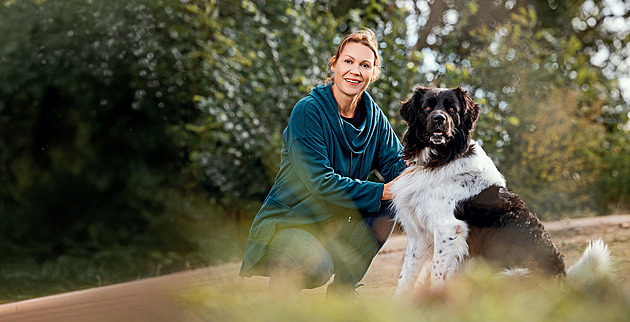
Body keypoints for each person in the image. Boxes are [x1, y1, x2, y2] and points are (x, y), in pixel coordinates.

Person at [239, 28, 407, 297]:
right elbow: (320, 183)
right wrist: (383, 190)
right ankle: (278, 306)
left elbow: (398, 164)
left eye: (365, 65)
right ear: (335, 64)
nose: (355, 70)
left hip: (336, 222)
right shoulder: (308, 111)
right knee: (317, 266)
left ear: (373, 73)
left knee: (392, 204)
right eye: (348, 61)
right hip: (289, 224)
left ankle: (341, 295)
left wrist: (429, 179)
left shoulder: (373, 117)